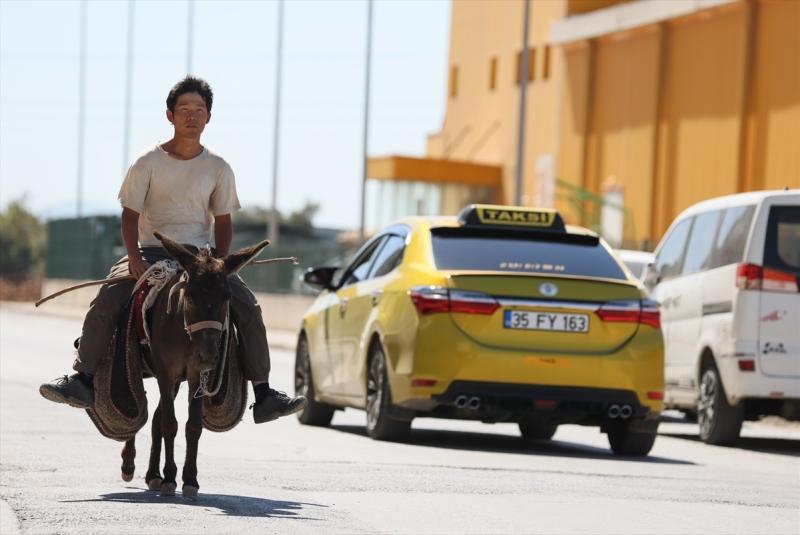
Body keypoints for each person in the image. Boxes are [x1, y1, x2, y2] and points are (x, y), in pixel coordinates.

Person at [39, 76, 307, 424]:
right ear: (170, 115)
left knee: (248, 307)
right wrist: (133, 257)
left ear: (209, 117)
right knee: (107, 298)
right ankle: (83, 378)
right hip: (151, 253)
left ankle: (264, 393)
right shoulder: (147, 162)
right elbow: (130, 214)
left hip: (200, 260)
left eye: (199, 110)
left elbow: (223, 221)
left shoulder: (219, 168)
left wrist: (221, 265)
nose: (192, 116)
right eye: (184, 110)